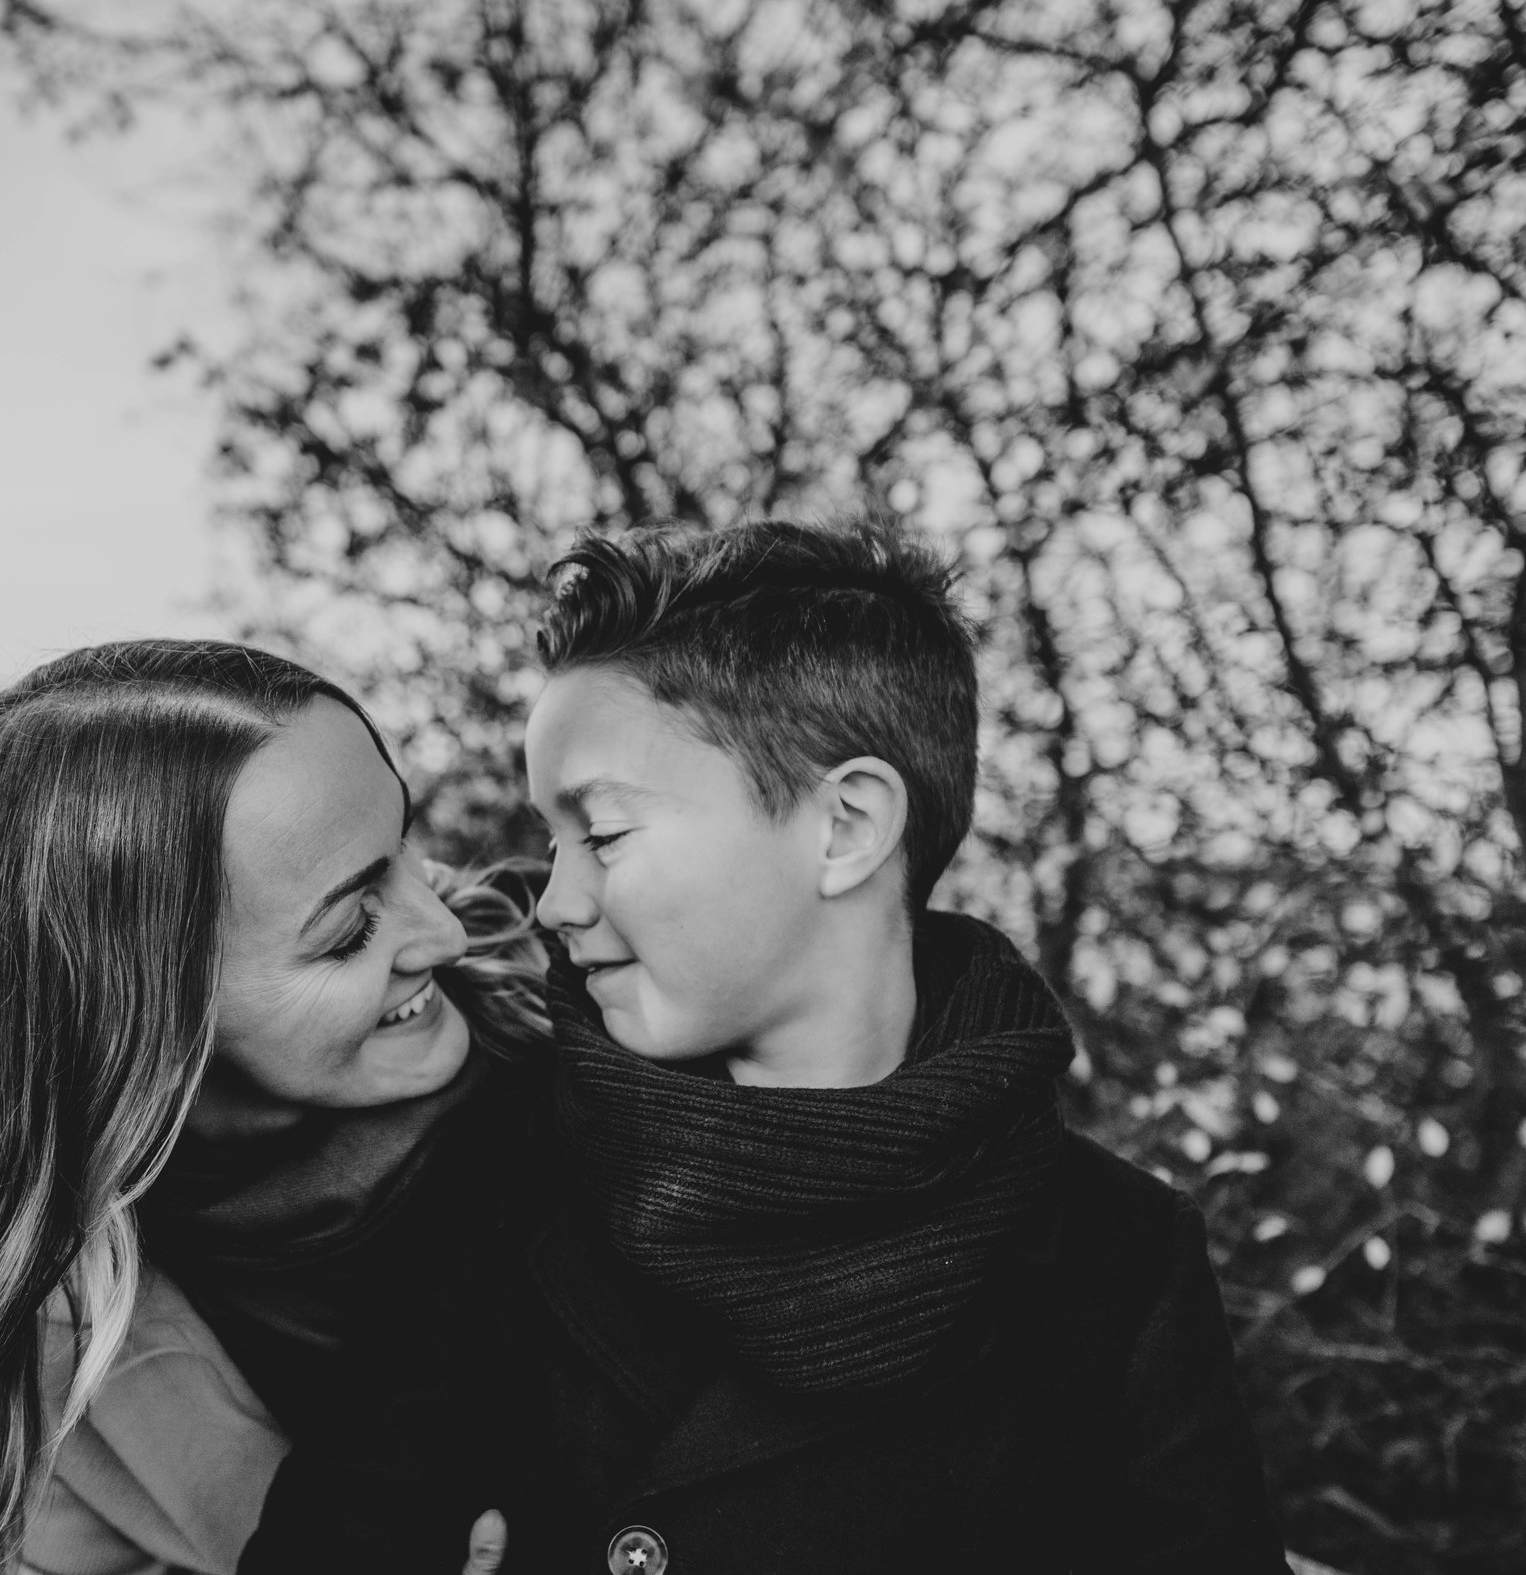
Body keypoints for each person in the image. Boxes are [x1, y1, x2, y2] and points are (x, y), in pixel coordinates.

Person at [503, 519, 1291, 1574]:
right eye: (551, 843)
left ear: (845, 827)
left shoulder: (1119, 1260)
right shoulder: (493, 1167)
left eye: (599, 834)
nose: (552, 900)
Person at [0, 639, 543, 1575]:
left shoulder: (582, 1050)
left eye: (408, 850)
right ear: (139, 1013)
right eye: (348, 931)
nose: (446, 931)